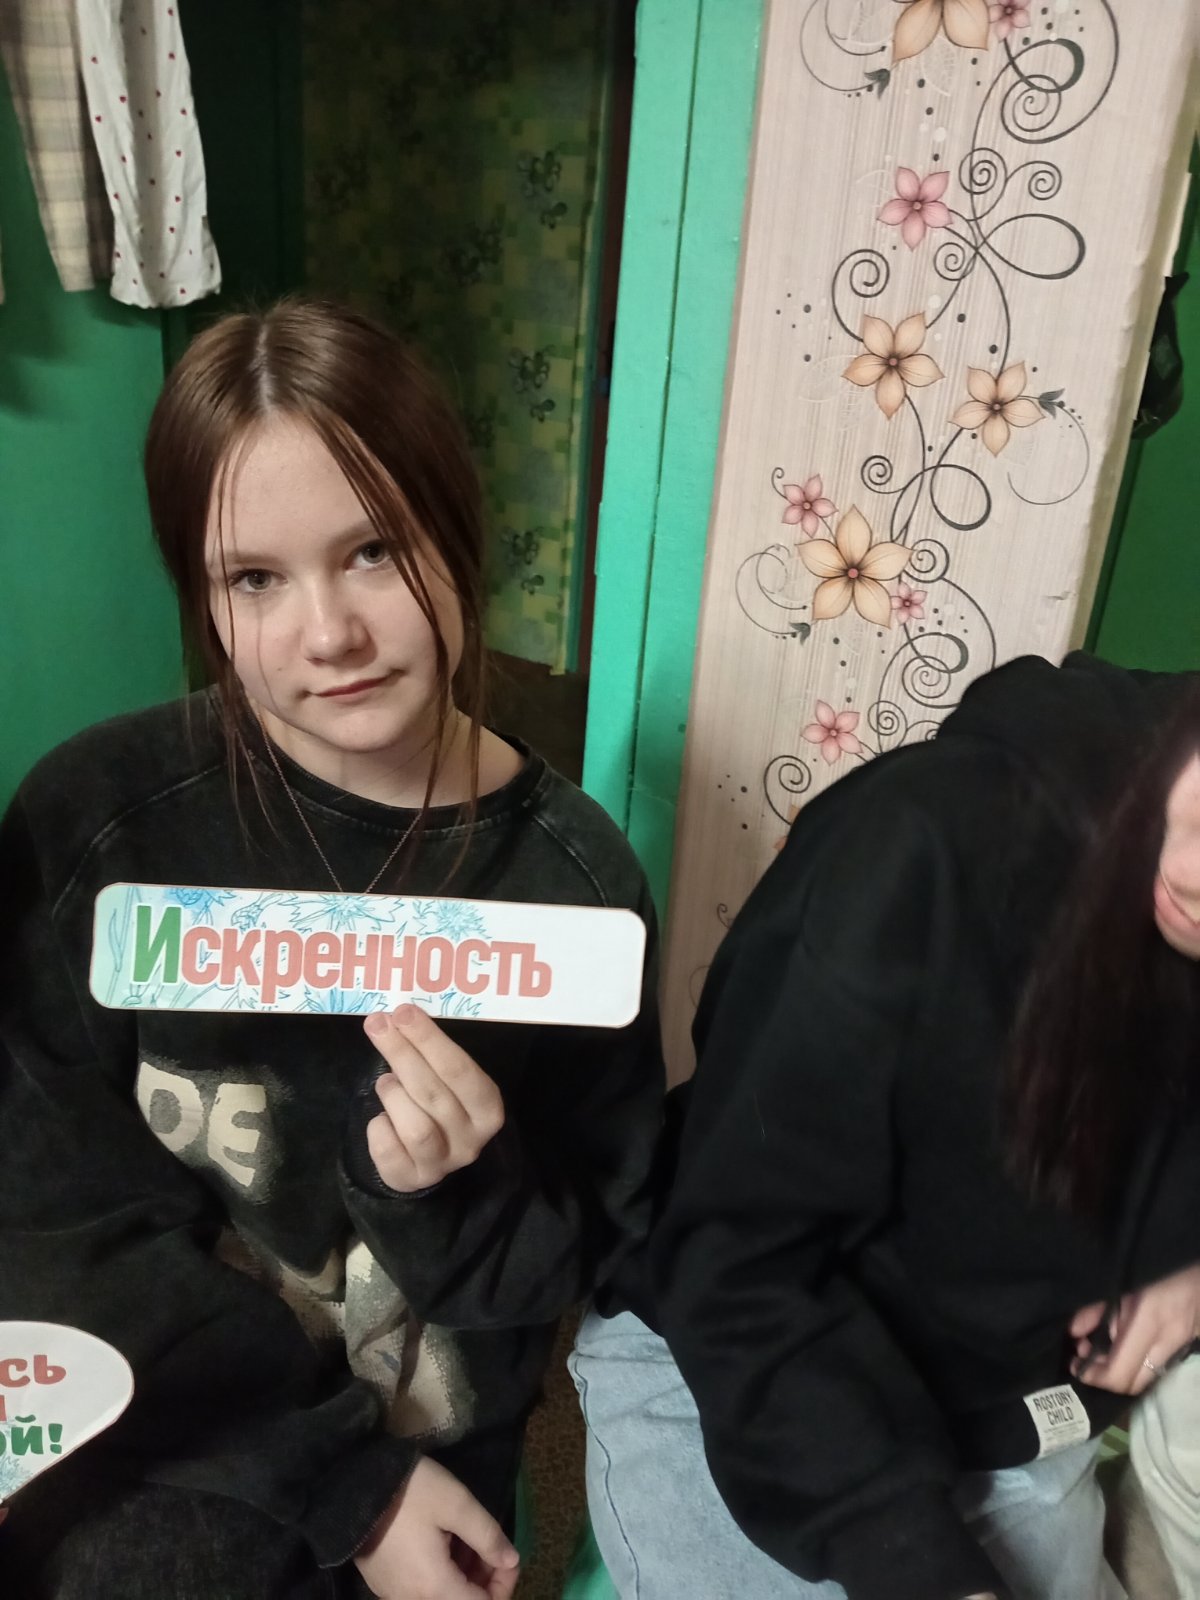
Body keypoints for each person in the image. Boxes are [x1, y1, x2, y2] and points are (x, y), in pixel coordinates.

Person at [0, 299, 664, 1600]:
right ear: (205, 597)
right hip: (167, 1428)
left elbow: (574, 1264)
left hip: (433, 1445)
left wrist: (455, 1189)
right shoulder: (96, 825)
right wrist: (339, 1485)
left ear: (455, 534)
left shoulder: (577, 890)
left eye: (373, 552)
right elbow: (52, 1228)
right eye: (255, 578)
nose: (330, 635)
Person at [572, 652, 1200, 1600]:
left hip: (1013, 1408)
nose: (1191, 871)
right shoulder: (927, 843)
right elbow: (738, 1256)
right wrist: (909, 1558)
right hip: (737, 1368)